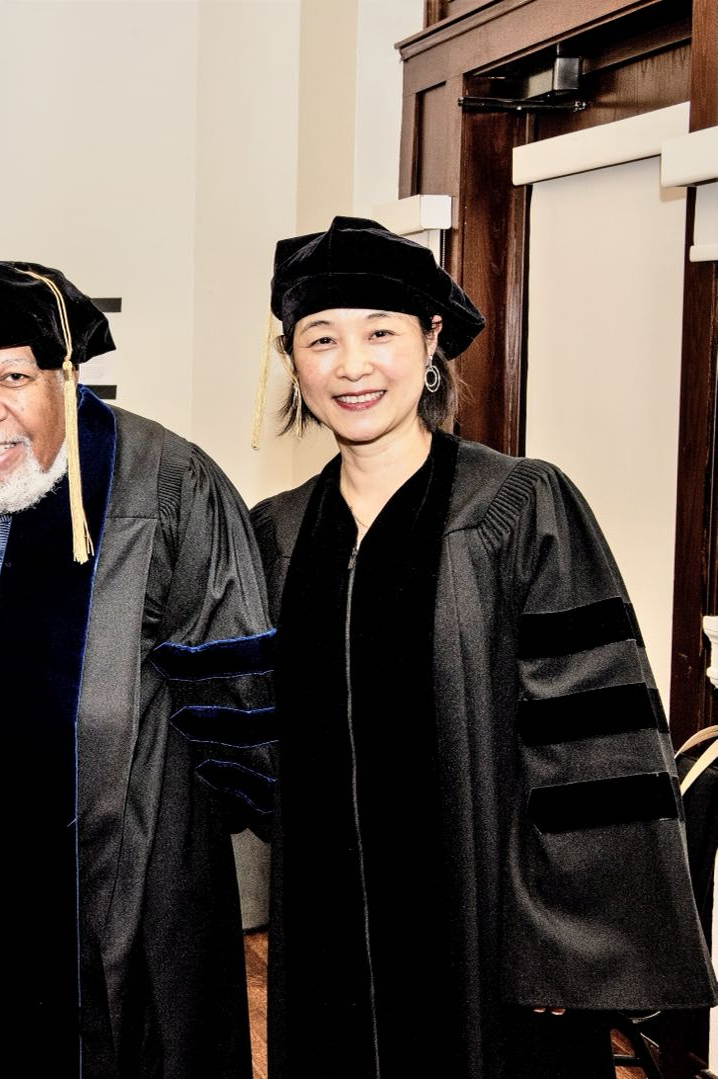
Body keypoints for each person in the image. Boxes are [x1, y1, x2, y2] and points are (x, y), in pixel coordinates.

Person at [253, 216, 718, 1079]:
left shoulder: (517, 507)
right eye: (321, 338)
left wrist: (564, 943)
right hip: (325, 941)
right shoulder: (275, 535)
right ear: (291, 360)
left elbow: (589, 748)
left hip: (492, 947)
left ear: (430, 340)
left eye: (380, 333)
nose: (351, 365)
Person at [0, 255, 274, 1078]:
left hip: (116, 876)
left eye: (12, 376)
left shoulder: (165, 477)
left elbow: (236, 694)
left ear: (65, 379)